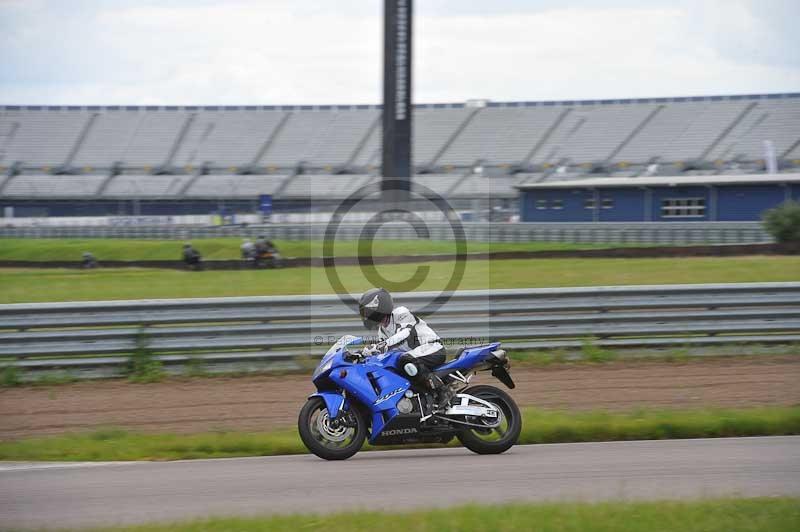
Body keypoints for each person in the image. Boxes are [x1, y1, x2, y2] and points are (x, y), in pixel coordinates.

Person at [358, 287, 453, 410]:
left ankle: (444, 390)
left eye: (367, 312)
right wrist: (364, 354)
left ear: (379, 308)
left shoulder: (400, 313)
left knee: (404, 359)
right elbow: (383, 353)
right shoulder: (382, 331)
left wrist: (381, 346)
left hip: (432, 348)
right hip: (415, 358)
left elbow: (404, 333)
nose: (366, 316)